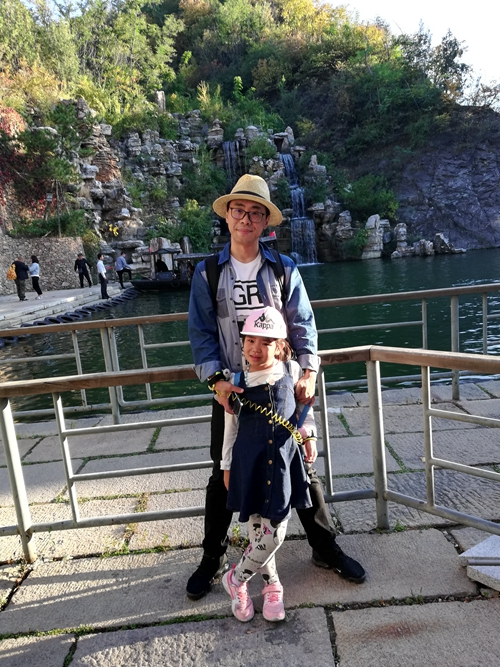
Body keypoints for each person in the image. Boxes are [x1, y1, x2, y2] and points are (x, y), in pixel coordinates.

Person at [187, 173, 365, 602]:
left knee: (300, 463)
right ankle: (212, 558)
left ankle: (325, 547)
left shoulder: (284, 269)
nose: (245, 218)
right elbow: (201, 333)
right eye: (239, 210)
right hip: (233, 390)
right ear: (227, 216)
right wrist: (216, 381)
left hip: (282, 385)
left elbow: (303, 324)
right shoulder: (208, 273)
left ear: (265, 221)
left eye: (255, 212)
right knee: (222, 473)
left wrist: (309, 371)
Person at [221, 306, 317, 623]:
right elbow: (230, 429)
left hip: (283, 462)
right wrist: (226, 466)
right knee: (257, 532)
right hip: (249, 462)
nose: (256, 348)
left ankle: (236, 579)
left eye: (266, 342)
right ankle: (272, 585)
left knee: (275, 531)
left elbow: (304, 410)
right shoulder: (236, 380)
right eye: (250, 340)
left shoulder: (292, 371)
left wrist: (310, 436)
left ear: (280, 345)